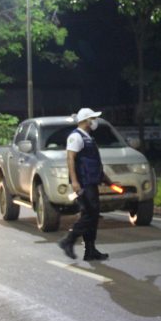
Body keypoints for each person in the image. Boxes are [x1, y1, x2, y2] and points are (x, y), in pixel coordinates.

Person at [57, 108, 112, 261]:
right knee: (90, 214)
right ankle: (68, 240)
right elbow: (70, 159)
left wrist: (107, 180)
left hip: (91, 181)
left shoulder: (88, 137)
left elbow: (94, 162)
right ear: (86, 120)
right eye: (93, 118)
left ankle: (90, 250)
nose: (95, 121)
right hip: (83, 183)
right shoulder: (76, 137)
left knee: (93, 216)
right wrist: (75, 181)